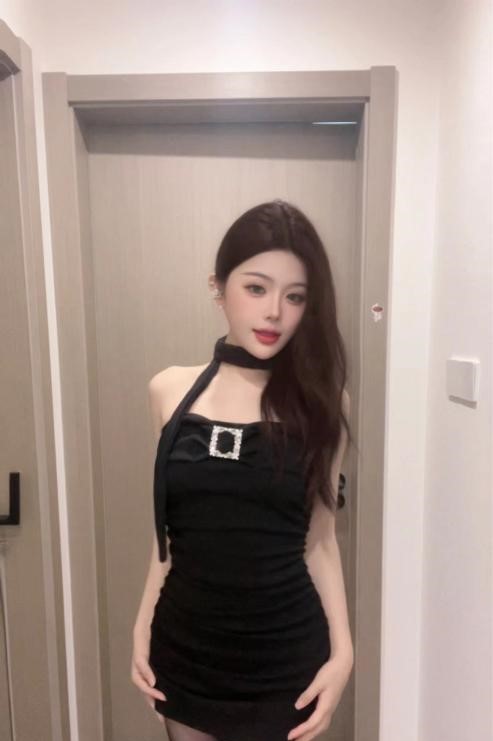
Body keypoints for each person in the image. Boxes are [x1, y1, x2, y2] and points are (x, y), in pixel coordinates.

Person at [131, 199, 354, 741]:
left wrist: (343, 653)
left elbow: (321, 542)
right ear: (219, 287)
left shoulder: (325, 405)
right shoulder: (168, 390)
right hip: (186, 651)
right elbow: (168, 535)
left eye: (295, 296)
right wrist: (141, 625)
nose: (275, 311)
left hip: (286, 662)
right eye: (256, 288)